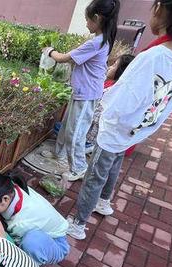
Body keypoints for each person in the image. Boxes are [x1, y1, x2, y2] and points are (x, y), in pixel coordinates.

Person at [66, 0, 172, 240]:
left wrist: (102, 103)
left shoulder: (153, 57)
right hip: (139, 128)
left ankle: (78, 223)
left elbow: (120, 99)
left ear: (163, 10)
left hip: (117, 128)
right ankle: (104, 202)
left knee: (95, 174)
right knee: (114, 164)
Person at [42, 0, 120, 181]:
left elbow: (62, 58)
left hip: (87, 94)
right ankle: (59, 154)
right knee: (66, 125)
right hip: (82, 91)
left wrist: (49, 50)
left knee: (75, 132)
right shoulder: (102, 40)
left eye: (87, 20)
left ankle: (79, 167)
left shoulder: (96, 43)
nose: (86, 24)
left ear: (97, 18)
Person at [85, 54, 135, 145]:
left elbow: (95, 115)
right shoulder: (113, 86)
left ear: (121, 71)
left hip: (92, 138)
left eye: (114, 65)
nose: (109, 67)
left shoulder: (111, 91)